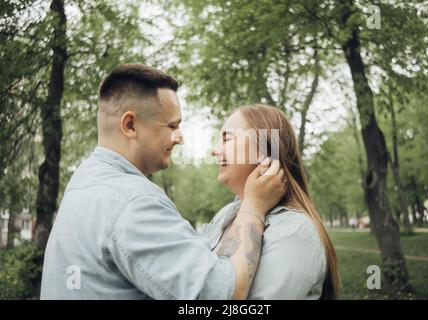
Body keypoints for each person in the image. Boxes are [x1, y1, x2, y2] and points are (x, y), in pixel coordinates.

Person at [40, 64, 285, 299]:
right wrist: (254, 207)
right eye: (172, 126)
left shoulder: (83, 182)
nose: (180, 138)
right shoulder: (133, 201)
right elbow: (223, 294)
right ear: (130, 125)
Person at [204, 104, 340, 299]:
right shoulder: (226, 215)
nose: (214, 151)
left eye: (227, 139)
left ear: (261, 150)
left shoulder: (296, 232)